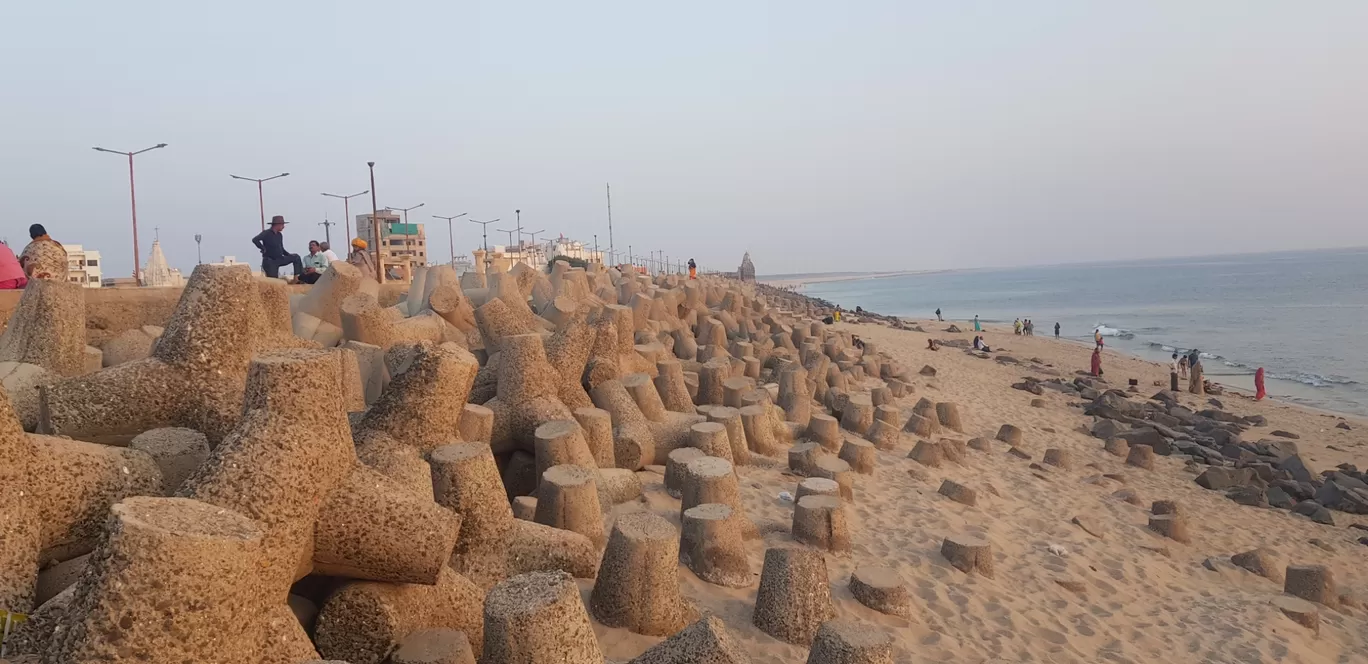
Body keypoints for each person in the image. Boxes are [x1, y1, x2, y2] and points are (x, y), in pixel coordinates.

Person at [252, 216, 304, 281]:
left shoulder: (279, 235)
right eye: (282, 225)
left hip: (279, 258)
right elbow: (255, 240)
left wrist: (289, 255)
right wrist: (262, 248)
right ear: (277, 225)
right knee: (274, 282)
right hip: (270, 261)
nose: (283, 227)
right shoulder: (266, 233)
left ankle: (297, 278)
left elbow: (281, 248)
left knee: (296, 257)